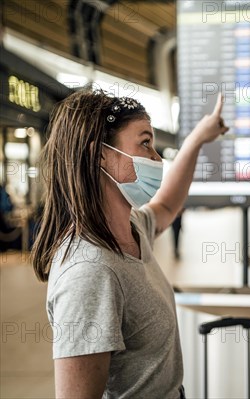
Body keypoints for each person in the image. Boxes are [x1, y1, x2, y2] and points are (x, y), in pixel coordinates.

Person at [31, 89, 228, 398]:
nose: (157, 158)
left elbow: (165, 207)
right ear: (101, 155)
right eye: (145, 143)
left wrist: (197, 140)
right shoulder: (89, 273)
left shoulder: (129, 228)